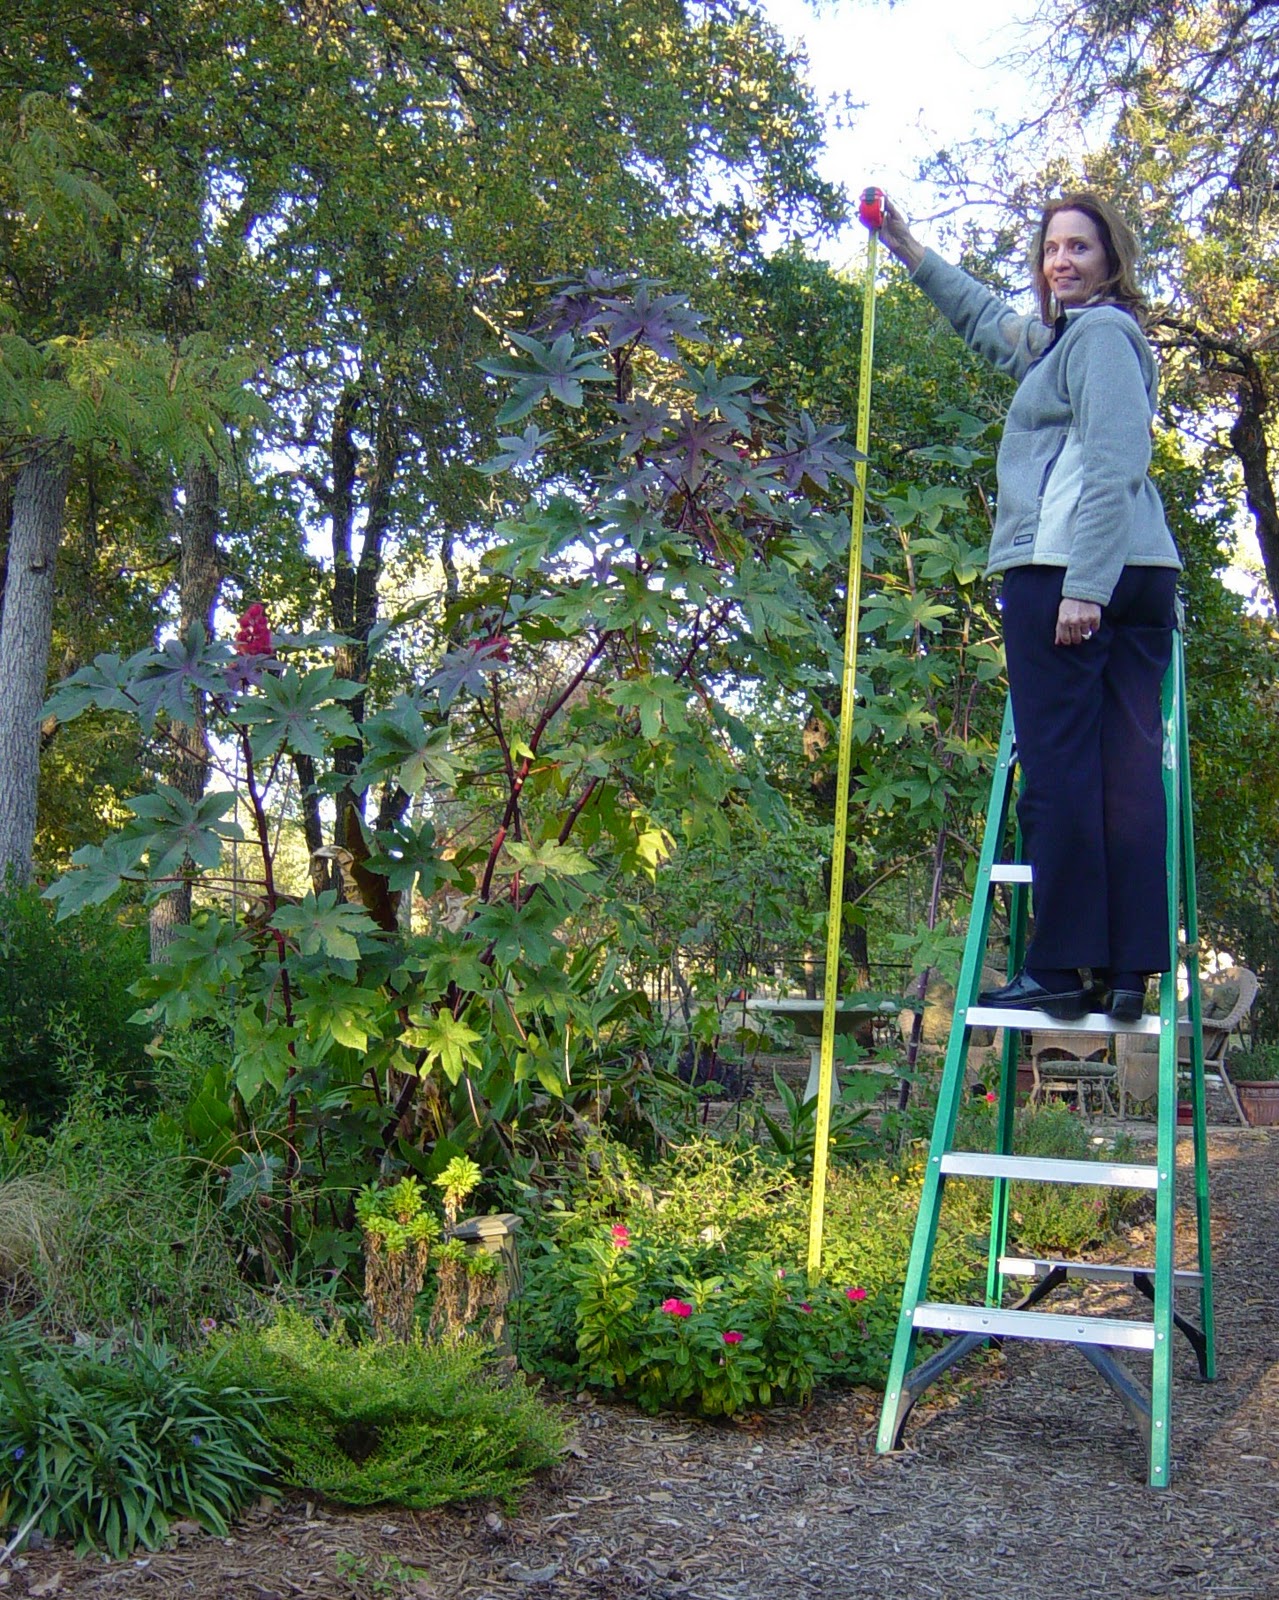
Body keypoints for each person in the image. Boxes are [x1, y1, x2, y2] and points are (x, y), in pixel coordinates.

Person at [877, 192, 1182, 1022]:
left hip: (1071, 569)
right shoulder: (1063, 342)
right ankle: (1123, 973)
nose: (1061, 262)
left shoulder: (1102, 336)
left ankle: (1061, 967)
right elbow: (984, 319)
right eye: (1051, 249)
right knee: (1121, 771)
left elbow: (1118, 453)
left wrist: (1084, 582)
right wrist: (906, 247)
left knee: (1056, 771)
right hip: (1130, 567)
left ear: (1111, 261)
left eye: (1080, 248)